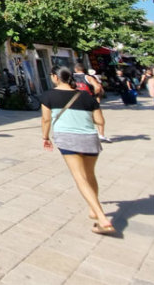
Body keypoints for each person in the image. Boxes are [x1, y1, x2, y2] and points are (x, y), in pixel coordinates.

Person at [41, 66, 115, 235]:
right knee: (90, 175)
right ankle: (92, 209)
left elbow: (46, 120)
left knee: (80, 177)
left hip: (68, 139)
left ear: (55, 77)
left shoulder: (48, 96)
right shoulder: (86, 97)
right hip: (90, 138)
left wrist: (45, 138)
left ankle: (102, 218)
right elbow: (100, 121)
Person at [73, 63, 111, 142]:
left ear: (75, 69)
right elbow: (97, 87)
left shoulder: (71, 78)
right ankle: (101, 135)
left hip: (76, 100)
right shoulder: (88, 77)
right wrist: (94, 95)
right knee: (99, 118)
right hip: (89, 99)